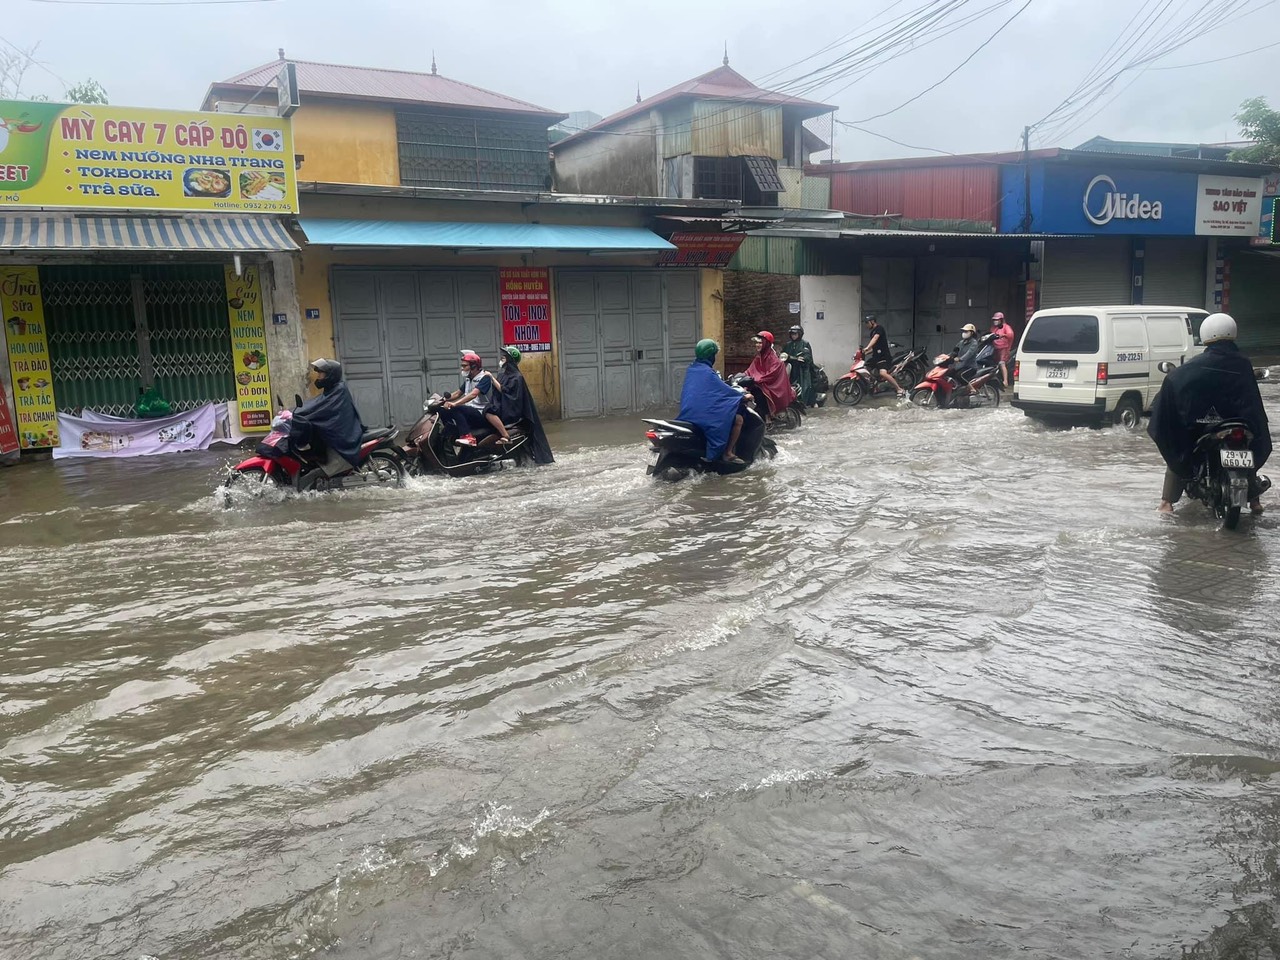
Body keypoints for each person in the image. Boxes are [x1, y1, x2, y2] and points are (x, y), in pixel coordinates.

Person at [1148, 312, 1271, 515]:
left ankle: (1166, 504)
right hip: (1241, 424)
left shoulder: (1195, 366)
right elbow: (1251, 402)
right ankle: (1254, 501)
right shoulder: (1243, 364)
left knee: (1179, 450)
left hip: (1205, 425)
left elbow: (1177, 381)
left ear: (1206, 334)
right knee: (1250, 449)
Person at [290, 358, 366, 481]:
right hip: (339, 427)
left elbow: (322, 409)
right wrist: (293, 411)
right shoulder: (332, 388)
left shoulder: (339, 389)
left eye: (321, 373)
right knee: (311, 425)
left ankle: (322, 459)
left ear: (331, 375)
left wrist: (300, 414)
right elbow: (315, 404)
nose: (319, 376)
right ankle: (318, 456)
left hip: (343, 433)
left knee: (313, 424)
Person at [677, 338, 745, 464]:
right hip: (703, 416)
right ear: (711, 356)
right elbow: (724, 391)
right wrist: (742, 396)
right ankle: (727, 453)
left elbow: (708, 392)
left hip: (688, 414)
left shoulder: (692, 370)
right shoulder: (708, 373)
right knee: (738, 419)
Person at [484, 346, 554, 464]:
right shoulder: (502, 375)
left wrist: (491, 378)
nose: (501, 360)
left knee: (488, 410)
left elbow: (507, 393)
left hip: (511, 410)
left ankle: (505, 436)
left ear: (509, 360)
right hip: (501, 405)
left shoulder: (517, 377)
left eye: (503, 358)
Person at [439, 351, 494, 445]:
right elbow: (457, 393)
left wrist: (455, 404)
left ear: (473, 366)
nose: (462, 368)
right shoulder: (469, 378)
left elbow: (474, 394)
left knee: (457, 408)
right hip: (470, 411)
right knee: (442, 409)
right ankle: (451, 432)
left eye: (465, 366)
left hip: (482, 413)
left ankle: (468, 437)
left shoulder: (485, 378)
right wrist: (442, 400)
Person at [745, 330, 797, 415]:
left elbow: (771, 375)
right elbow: (750, 370)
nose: (757, 345)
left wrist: (758, 379)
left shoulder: (773, 359)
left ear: (766, 344)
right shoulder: (759, 357)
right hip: (760, 383)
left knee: (759, 394)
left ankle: (766, 417)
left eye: (760, 343)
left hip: (772, 387)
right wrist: (741, 376)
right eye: (757, 343)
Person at [863, 313, 905, 397]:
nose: (866, 325)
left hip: (883, 357)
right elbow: (874, 347)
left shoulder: (879, 329)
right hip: (876, 357)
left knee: (882, 373)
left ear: (872, 322)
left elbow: (875, 339)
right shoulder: (872, 332)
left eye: (867, 323)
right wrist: (865, 352)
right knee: (865, 368)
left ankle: (899, 389)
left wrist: (867, 347)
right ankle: (875, 387)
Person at [784, 324, 817, 406]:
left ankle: (809, 402)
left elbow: (807, 357)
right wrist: (791, 358)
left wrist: (803, 359)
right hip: (791, 368)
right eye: (792, 334)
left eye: (795, 334)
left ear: (799, 334)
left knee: (806, 385)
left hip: (802, 368)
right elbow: (783, 355)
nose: (793, 336)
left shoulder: (805, 344)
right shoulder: (788, 344)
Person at [990, 312, 1016, 387]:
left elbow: (1010, 334)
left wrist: (1003, 335)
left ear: (1001, 320)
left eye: (997, 320)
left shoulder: (1006, 327)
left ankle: (1005, 381)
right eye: (994, 320)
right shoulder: (993, 328)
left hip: (1003, 348)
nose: (995, 321)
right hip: (994, 348)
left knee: (1002, 363)